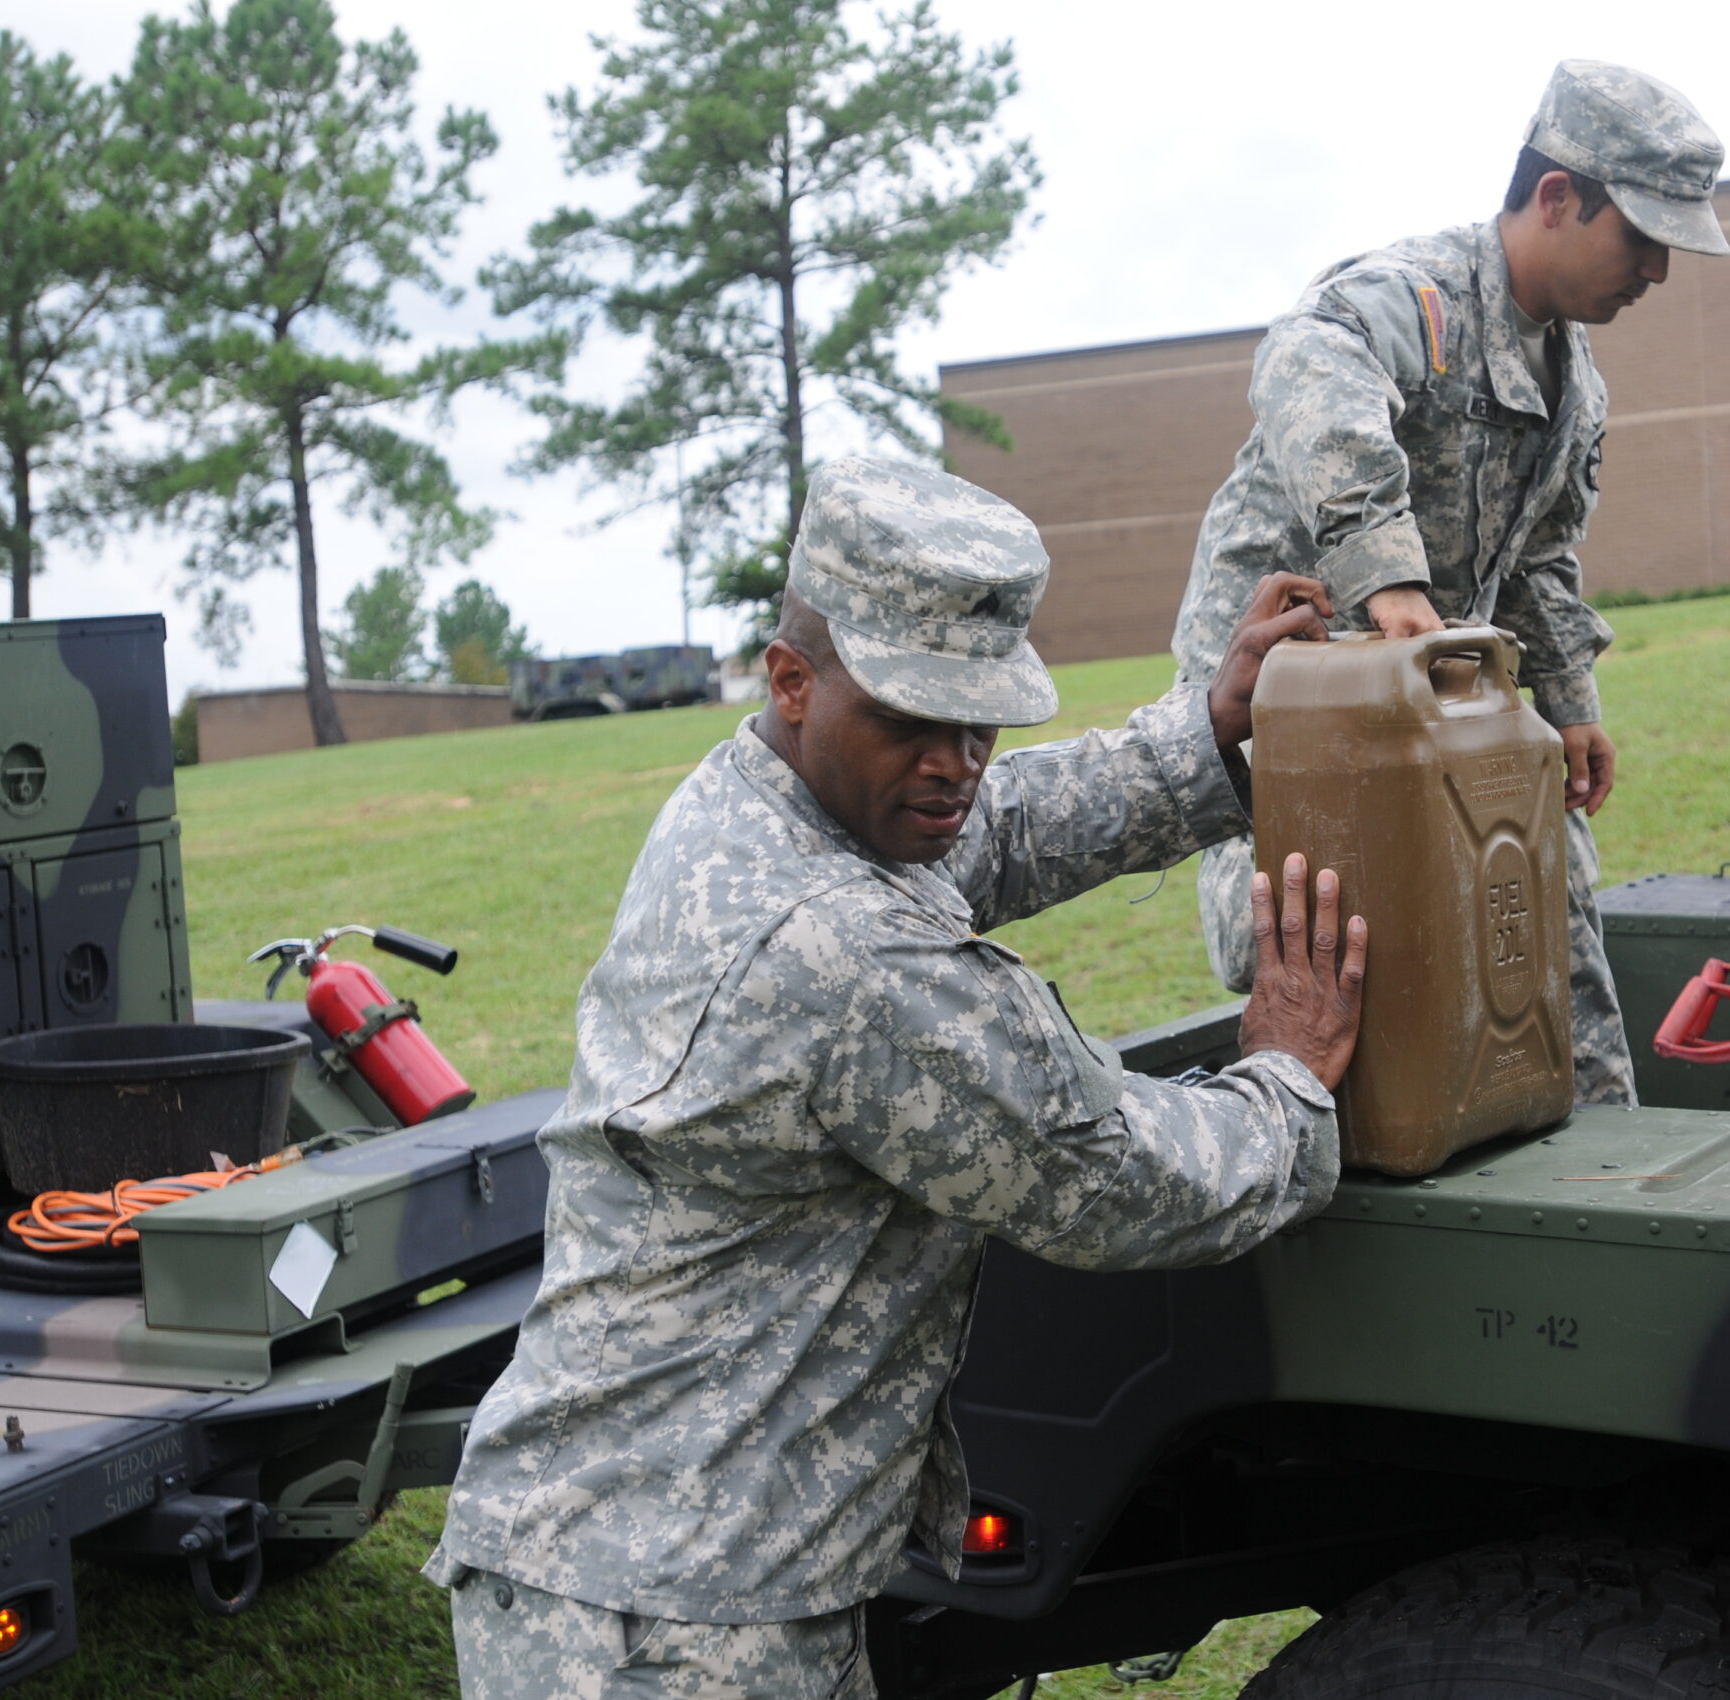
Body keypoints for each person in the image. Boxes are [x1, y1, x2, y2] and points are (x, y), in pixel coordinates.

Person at [423, 455, 1367, 1699]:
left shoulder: (766, 797)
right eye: (912, 721)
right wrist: (1288, 1075)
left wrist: (1201, 733)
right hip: (662, 1625)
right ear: (792, 678)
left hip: (655, 1559)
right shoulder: (837, 946)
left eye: (979, 719)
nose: (956, 760)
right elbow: (1108, 1173)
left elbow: (995, 825)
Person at [1170, 58, 1730, 1107]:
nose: (1656, 269)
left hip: (1435, 696)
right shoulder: (1413, 297)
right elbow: (1303, 361)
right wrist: (1382, 568)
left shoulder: (1575, 385)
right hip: (1282, 696)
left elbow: (1543, 558)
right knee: (1324, 941)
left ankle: (1591, 1137)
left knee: (1538, 881)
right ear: (1558, 197)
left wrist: (1568, 705)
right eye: (1641, 236)